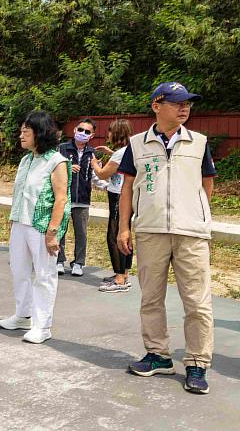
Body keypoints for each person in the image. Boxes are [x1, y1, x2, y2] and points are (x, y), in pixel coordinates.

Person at [118, 82, 216, 395]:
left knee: (197, 302)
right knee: (151, 297)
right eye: (177, 103)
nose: (185, 108)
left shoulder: (199, 142)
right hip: (150, 230)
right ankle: (158, 354)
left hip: (191, 234)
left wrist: (195, 214)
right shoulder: (136, 144)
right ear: (156, 106)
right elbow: (127, 188)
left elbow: (207, 185)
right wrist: (124, 227)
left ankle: (197, 362)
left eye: (188, 103)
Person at [0, 111, 70, 343]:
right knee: (19, 270)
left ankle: (42, 325)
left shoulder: (56, 161)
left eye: (25, 132)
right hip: (20, 223)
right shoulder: (26, 159)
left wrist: (53, 233)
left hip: (41, 226)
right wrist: (13, 221)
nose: (21, 136)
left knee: (44, 275)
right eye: (21, 131)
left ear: (40, 133)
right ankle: (23, 315)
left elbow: (61, 199)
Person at [91, 119, 134, 293]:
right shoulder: (130, 150)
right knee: (126, 233)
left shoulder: (119, 154)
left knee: (114, 236)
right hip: (128, 196)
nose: (107, 134)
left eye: (110, 131)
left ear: (116, 134)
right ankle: (124, 273)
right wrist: (111, 153)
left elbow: (102, 175)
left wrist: (94, 163)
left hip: (118, 197)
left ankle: (119, 279)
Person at [56, 118, 97, 276]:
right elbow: (51, 169)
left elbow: (95, 176)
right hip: (64, 197)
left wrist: (110, 186)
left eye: (87, 132)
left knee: (81, 233)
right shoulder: (62, 149)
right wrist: (67, 167)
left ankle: (78, 263)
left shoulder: (92, 153)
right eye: (80, 130)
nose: (83, 133)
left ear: (92, 135)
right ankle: (59, 260)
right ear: (74, 130)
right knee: (60, 230)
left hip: (83, 199)